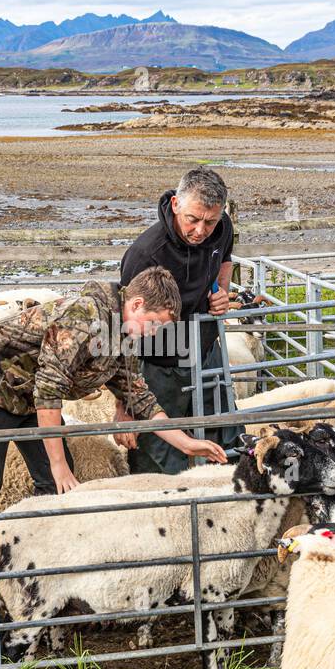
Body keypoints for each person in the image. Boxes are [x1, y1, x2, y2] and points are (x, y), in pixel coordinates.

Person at [0, 266, 227, 552]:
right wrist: (58, 465)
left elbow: (138, 394)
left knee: (55, 481)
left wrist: (186, 443)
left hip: (26, 394)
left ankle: (35, 552)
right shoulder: (85, 318)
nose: (154, 333)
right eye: (154, 324)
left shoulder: (124, 337)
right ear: (136, 304)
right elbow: (49, 388)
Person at [120, 167, 237, 474]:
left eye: (209, 221)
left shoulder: (222, 227)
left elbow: (225, 257)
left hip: (206, 350)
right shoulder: (145, 253)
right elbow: (125, 328)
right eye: (193, 219)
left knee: (225, 438)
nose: (201, 230)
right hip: (160, 363)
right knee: (159, 454)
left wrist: (222, 291)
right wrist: (125, 404)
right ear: (175, 205)